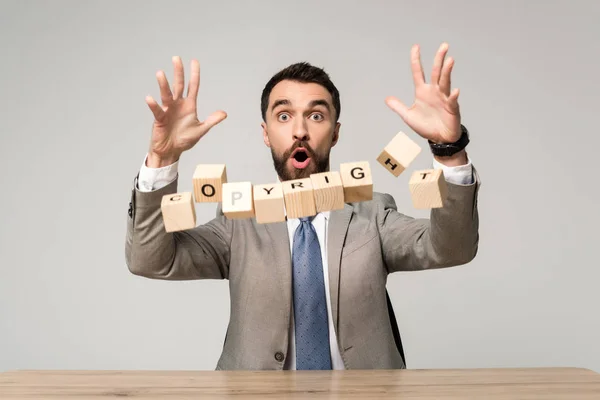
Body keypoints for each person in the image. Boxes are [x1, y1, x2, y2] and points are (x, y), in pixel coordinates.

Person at [125, 42, 480, 370]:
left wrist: (448, 149)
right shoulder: (238, 221)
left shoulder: (373, 213)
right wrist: (162, 158)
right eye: (283, 116)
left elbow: (451, 248)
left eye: (315, 116)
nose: (299, 131)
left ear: (335, 132)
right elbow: (150, 259)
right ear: (265, 133)